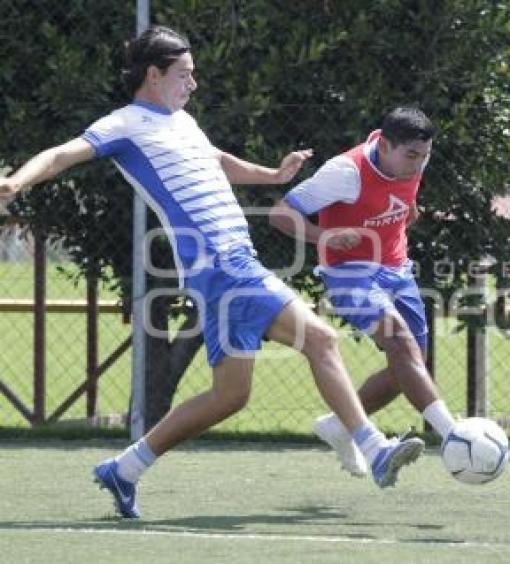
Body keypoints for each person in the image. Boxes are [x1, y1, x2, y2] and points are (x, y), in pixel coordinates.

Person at [0, 26, 424, 519]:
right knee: (322, 340)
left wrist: (272, 176)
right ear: (153, 75)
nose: (193, 83)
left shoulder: (183, 122)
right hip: (223, 264)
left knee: (230, 395)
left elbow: (216, 161)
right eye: (185, 74)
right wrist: (15, 181)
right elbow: (60, 154)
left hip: (225, 267)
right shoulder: (126, 123)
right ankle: (375, 451)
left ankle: (125, 469)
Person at [269, 107, 456, 477]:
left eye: (425, 156)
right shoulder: (344, 173)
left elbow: (406, 204)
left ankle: (340, 426)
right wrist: (325, 236)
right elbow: (280, 214)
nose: (419, 165)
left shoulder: (412, 160)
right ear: (385, 146)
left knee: (410, 362)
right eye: (412, 156)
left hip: (397, 268)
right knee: (401, 342)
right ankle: (455, 435)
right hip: (348, 273)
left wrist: (406, 215)